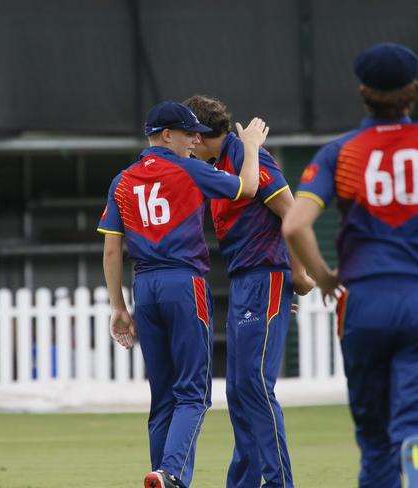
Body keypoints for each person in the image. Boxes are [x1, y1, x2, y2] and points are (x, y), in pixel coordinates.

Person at [282, 42, 418, 488]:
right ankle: (417, 445)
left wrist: (324, 277)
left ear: (362, 90)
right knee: (414, 420)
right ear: (415, 90)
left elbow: (295, 225)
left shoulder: (341, 151)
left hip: (362, 300)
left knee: (374, 437)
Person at [97, 101, 268, 488]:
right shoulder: (188, 169)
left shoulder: (122, 180)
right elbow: (249, 187)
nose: (196, 139)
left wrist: (118, 307)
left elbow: (111, 250)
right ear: (166, 135)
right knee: (193, 394)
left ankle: (161, 475)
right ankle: (170, 473)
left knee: (162, 397)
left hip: (145, 288)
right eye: (188, 132)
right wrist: (253, 146)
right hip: (184, 284)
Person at [184, 95, 314, 488]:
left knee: (255, 384)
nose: (188, 144)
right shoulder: (219, 163)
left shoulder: (243, 153)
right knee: (240, 390)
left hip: (265, 276)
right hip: (246, 280)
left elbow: (291, 212)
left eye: (191, 135)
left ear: (203, 134)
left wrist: (299, 275)